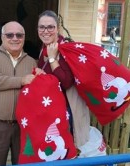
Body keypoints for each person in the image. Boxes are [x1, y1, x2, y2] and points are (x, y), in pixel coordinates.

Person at [0, 21, 37, 166]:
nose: (15, 38)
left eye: (19, 35)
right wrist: (22, 80)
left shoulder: (31, 62)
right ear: (2, 37)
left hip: (22, 126)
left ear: (24, 38)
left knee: (22, 165)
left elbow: (36, 90)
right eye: (10, 34)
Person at [34, 10, 90, 151]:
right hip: (49, 108)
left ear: (57, 29)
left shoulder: (67, 49)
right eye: (42, 27)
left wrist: (53, 59)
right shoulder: (44, 48)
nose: (45, 31)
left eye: (50, 27)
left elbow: (66, 82)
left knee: (64, 150)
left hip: (65, 111)